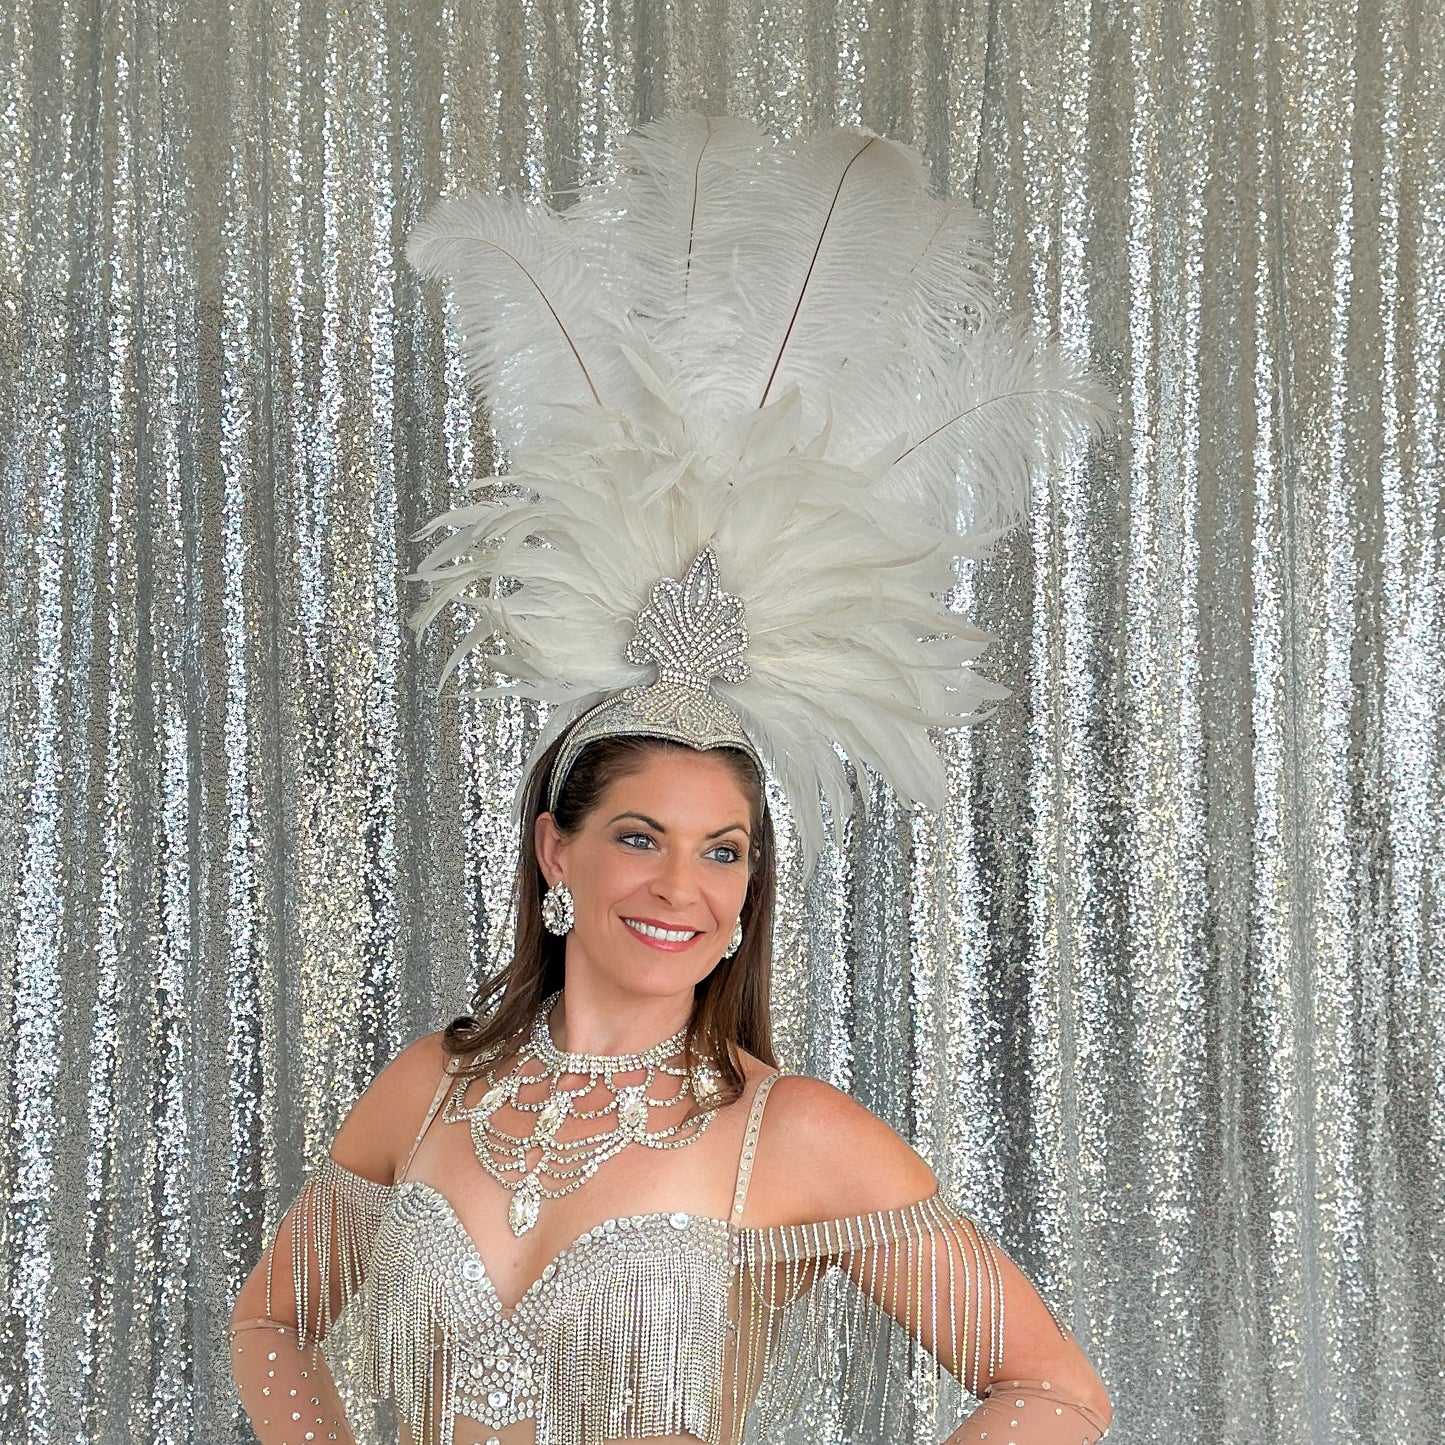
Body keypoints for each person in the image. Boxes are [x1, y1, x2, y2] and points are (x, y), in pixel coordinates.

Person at [229, 113, 1116, 1445]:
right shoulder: (432, 1087)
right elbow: (269, 1320)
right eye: (641, 835)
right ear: (554, 853)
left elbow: (1051, 1392)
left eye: (725, 850)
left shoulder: (794, 1133)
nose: (683, 886)